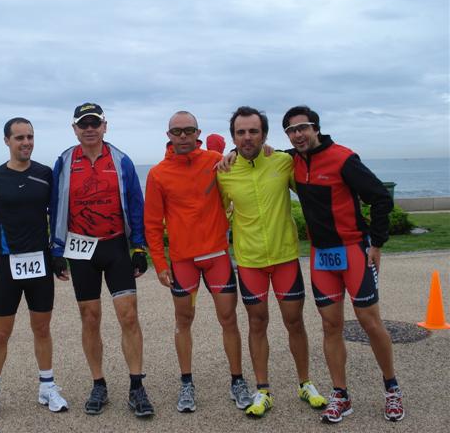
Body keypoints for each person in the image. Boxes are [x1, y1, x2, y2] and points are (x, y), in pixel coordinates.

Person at [282, 105, 404, 423]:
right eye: (291, 131)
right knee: (330, 326)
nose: (298, 134)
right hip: (322, 256)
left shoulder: (343, 158)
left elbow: (380, 197)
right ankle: (341, 394)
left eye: (303, 127)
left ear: (316, 128)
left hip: (353, 251)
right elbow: (260, 153)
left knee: (369, 322)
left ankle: (392, 388)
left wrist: (377, 243)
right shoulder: (292, 161)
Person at [216, 107, 326, 418]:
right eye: (241, 132)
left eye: (253, 131)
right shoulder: (224, 171)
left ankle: (305, 383)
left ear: (264, 134)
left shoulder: (282, 161)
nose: (247, 137)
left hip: (285, 257)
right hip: (249, 261)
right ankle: (262, 390)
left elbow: (311, 183)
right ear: (233, 137)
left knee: (295, 322)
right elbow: (217, 212)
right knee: (257, 322)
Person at [144, 111, 252, 414]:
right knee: (183, 321)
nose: (183, 136)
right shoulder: (158, 174)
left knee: (228, 319)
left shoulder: (215, 160)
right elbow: (152, 223)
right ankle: (187, 383)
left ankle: (237, 380)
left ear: (198, 133)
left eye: (188, 130)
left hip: (216, 255)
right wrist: (159, 263)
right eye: (177, 132)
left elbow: (245, 160)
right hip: (183, 260)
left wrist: (254, 150)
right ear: (168, 135)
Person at [49, 102, 153, 417]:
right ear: (75, 129)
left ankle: (136, 386)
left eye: (95, 123)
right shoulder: (64, 162)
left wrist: (139, 247)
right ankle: (99, 384)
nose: (90, 129)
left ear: (105, 126)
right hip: (81, 250)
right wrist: (56, 250)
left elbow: (136, 202)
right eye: (83, 124)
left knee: (128, 317)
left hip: (115, 246)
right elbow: (56, 205)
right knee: (90, 317)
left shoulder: (121, 160)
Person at [0, 117, 68, 422]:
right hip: (6, 264)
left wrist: (59, 253)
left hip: (39, 263)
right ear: (7, 141)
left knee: (42, 328)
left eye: (30, 137)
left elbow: (58, 213)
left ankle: (47, 387)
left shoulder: (45, 174)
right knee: (1, 332)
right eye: (19, 138)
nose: (26, 142)